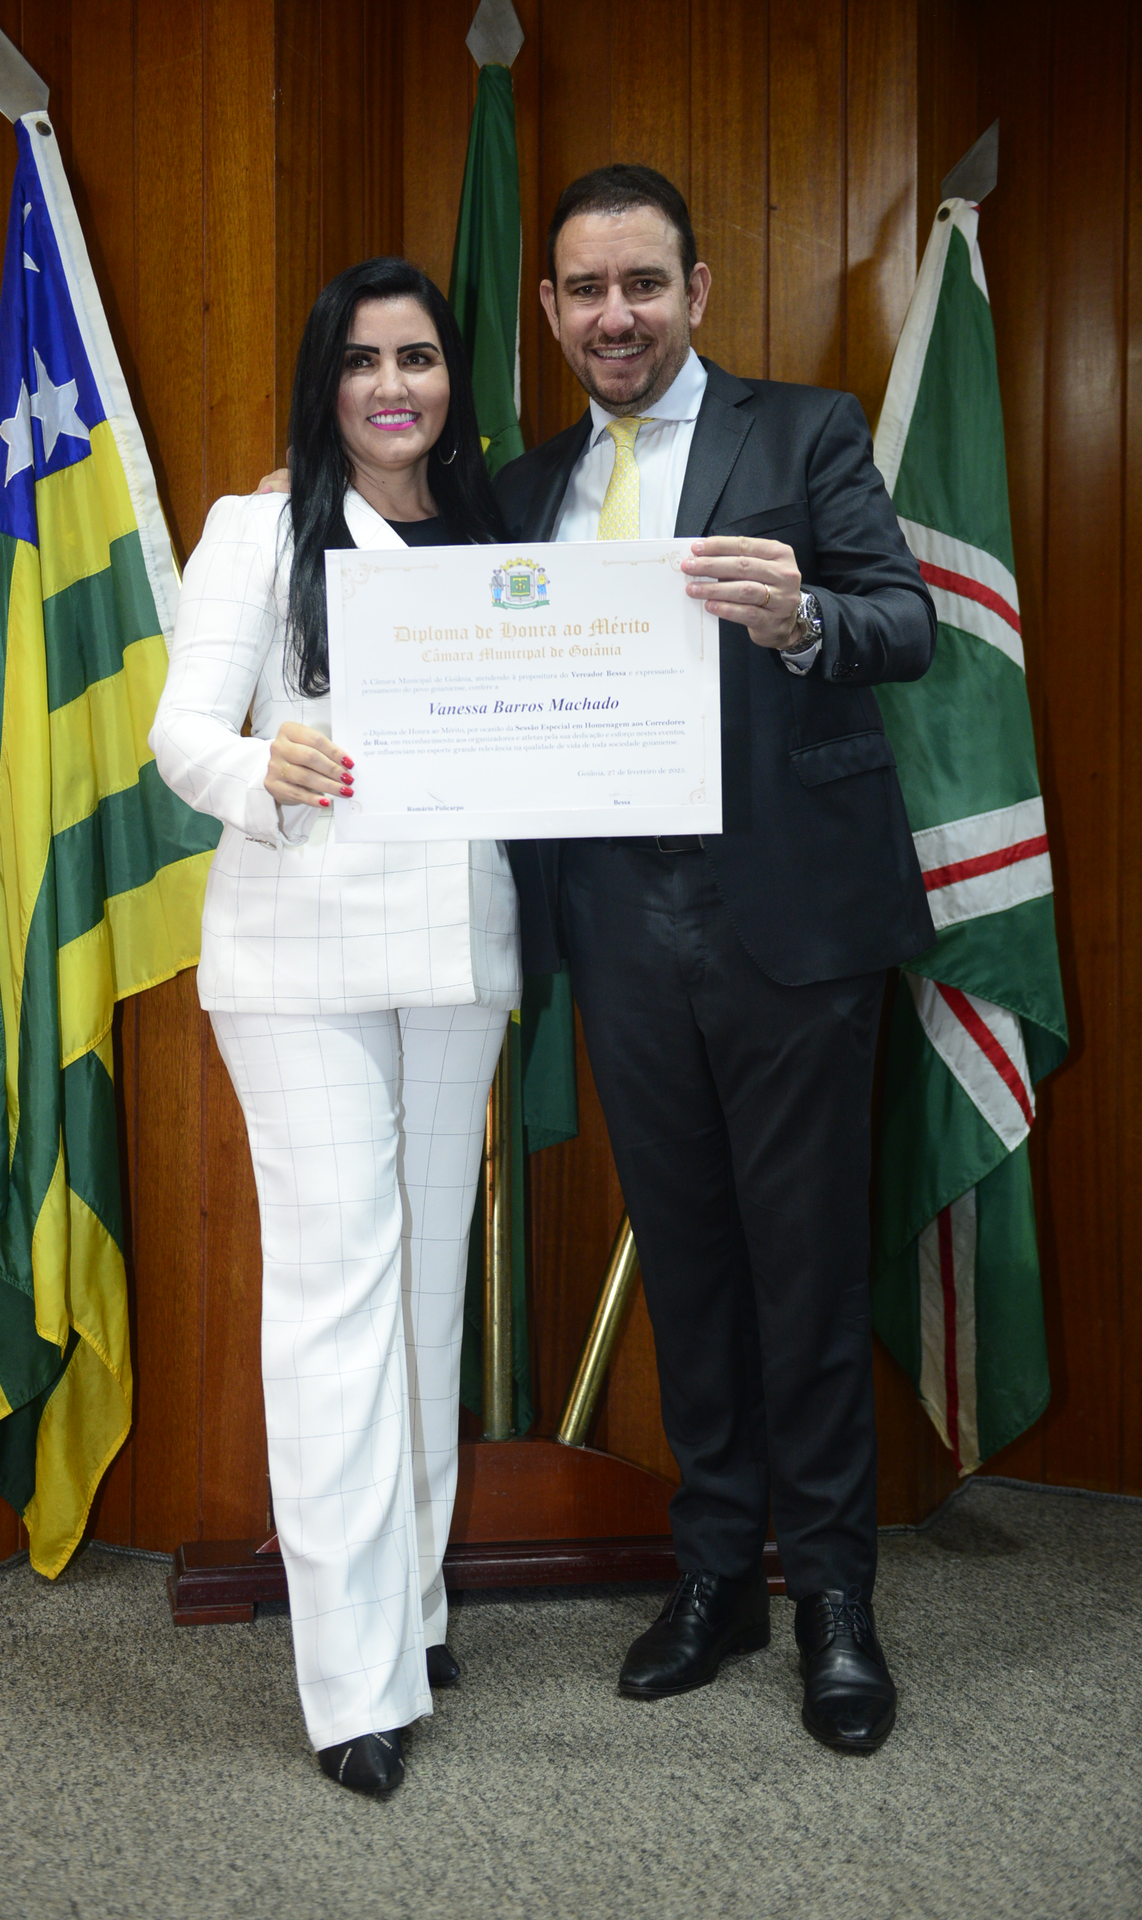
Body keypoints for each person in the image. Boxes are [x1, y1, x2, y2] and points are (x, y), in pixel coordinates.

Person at [494, 165, 935, 1754]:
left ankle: (832, 1600)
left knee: (804, 1269)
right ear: (550, 309)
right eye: (585, 290)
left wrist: (805, 614)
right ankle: (714, 1579)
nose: (615, 316)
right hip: (617, 924)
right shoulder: (527, 486)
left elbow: (906, 623)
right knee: (685, 1263)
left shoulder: (802, 433)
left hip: (789, 920)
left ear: (693, 291)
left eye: (643, 284)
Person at [151, 258, 520, 1796]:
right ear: (326, 380)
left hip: (457, 955)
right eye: (362, 360)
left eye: (417, 358)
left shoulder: (496, 535)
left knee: (424, 1295)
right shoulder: (257, 527)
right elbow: (181, 733)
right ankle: (350, 1681)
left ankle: (409, 1611)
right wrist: (263, 767)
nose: (391, 386)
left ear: (451, 378)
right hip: (298, 957)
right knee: (331, 1296)